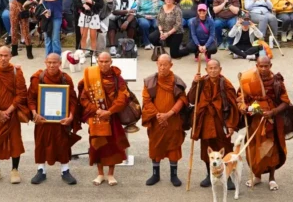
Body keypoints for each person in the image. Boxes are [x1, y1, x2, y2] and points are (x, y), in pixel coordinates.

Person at [237, 54, 291, 190]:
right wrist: (243, 108)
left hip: (272, 121)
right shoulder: (248, 79)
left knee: (271, 150)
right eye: (260, 66)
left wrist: (273, 112)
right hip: (255, 121)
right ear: (256, 66)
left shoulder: (277, 82)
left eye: (266, 66)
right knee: (254, 149)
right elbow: (241, 98)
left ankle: (272, 178)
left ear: (270, 66)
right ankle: (257, 176)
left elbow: (285, 102)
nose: (263, 69)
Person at [79, 52, 131, 185]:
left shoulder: (117, 78)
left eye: (106, 61)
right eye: (101, 61)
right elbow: (84, 98)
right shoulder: (90, 76)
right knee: (97, 145)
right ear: (97, 61)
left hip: (112, 117)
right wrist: (96, 110)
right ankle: (100, 174)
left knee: (113, 145)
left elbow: (123, 97)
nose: (103, 64)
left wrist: (110, 111)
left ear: (111, 62)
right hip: (96, 116)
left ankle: (111, 174)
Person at [27, 53, 80, 185]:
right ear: (45, 62)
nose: (51, 65)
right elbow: (31, 98)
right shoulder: (38, 78)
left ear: (60, 63)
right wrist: (34, 113)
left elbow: (73, 99)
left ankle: (65, 170)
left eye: (54, 62)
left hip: (60, 120)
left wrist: (71, 116)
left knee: (62, 144)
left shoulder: (65, 78)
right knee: (41, 144)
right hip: (42, 119)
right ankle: (41, 170)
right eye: (49, 62)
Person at [0, 46, 29, 184]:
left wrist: (8, 111)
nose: (3, 58)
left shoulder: (16, 72)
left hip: (11, 113)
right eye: (1, 55)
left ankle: (15, 170)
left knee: (15, 141)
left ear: (10, 56)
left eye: (6, 55)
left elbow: (21, 94)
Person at [189, 58, 240, 188]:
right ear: (206, 70)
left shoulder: (225, 84)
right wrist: (195, 83)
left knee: (225, 148)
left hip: (220, 121)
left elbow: (233, 105)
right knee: (208, 149)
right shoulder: (201, 82)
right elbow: (191, 99)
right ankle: (209, 174)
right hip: (205, 122)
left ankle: (227, 177)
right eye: (210, 68)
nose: (213, 71)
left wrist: (230, 125)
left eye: (215, 68)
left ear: (220, 69)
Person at [141, 53, 188, 187]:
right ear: (157, 64)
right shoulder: (150, 81)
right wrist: (158, 115)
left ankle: (174, 175)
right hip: (156, 121)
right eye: (160, 65)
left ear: (171, 65)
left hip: (172, 120)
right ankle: (155, 174)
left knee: (173, 146)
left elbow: (182, 99)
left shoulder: (176, 81)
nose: (162, 68)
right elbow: (146, 100)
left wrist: (169, 114)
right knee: (156, 146)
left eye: (165, 65)